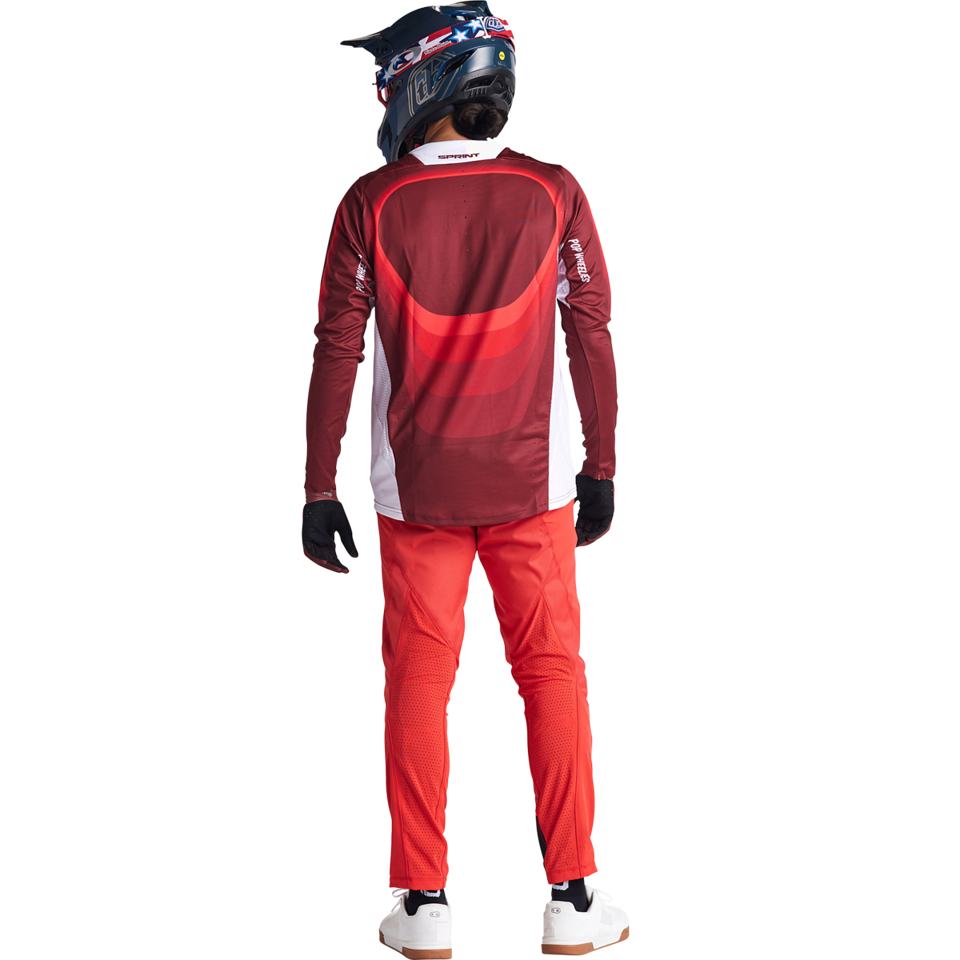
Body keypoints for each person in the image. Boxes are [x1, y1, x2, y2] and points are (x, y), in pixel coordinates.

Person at [300, 4, 625, 956]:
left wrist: (317, 488)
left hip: (416, 493)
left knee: (418, 678)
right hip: (536, 486)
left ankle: (422, 905)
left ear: (416, 81)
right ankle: (572, 897)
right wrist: (602, 466)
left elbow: (336, 349)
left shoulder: (369, 200)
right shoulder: (554, 188)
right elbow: (592, 331)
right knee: (552, 671)